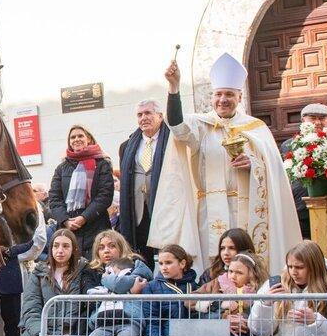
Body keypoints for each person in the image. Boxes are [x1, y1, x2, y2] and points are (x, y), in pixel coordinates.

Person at [150, 54, 300, 275]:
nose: (223, 99)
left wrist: (254, 164)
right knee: (211, 265)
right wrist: (174, 87)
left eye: (229, 94)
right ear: (212, 97)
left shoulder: (255, 128)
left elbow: (272, 169)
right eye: (218, 94)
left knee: (246, 258)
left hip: (247, 207)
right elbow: (177, 126)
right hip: (208, 210)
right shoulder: (200, 126)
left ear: (239, 97)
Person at [17, 228, 100, 336]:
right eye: (56, 246)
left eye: (65, 246)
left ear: (73, 249)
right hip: (39, 330)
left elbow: (83, 305)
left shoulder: (82, 271)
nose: (60, 251)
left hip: (70, 330)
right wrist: (41, 333)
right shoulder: (39, 273)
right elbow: (31, 307)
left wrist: (67, 329)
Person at [84, 230, 152, 336]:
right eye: (101, 247)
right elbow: (91, 294)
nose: (106, 250)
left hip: (129, 320)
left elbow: (121, 284)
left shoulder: (136, 265)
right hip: (104, 321)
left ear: (121, 247)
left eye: (111, 246)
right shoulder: (93, 271)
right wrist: (129, 291)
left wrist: (107, 280)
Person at [281, 104, 327, 239]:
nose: (318, 122)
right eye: (313, 118)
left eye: (322, 118)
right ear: (303, 120)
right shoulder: (289, 145)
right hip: (300, 207)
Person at [46, 125, 114, 257]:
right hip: (68, 230)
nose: (76, 139)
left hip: (95, 227)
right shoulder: (61, 168)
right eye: (73, 137)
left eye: (80, 136)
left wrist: (84, 217)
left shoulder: (102, 164)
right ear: (69, 142)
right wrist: (65, 220)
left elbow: (105, 196)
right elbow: (54, 198)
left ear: (88, 139)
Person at [117, 99, 171, 259]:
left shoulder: (171, 142)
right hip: (137, 212)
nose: (143, 118)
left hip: (163, 209)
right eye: (139, 114)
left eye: (148, 113)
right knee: (141, 255)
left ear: (160, 116)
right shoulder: (127, 146)